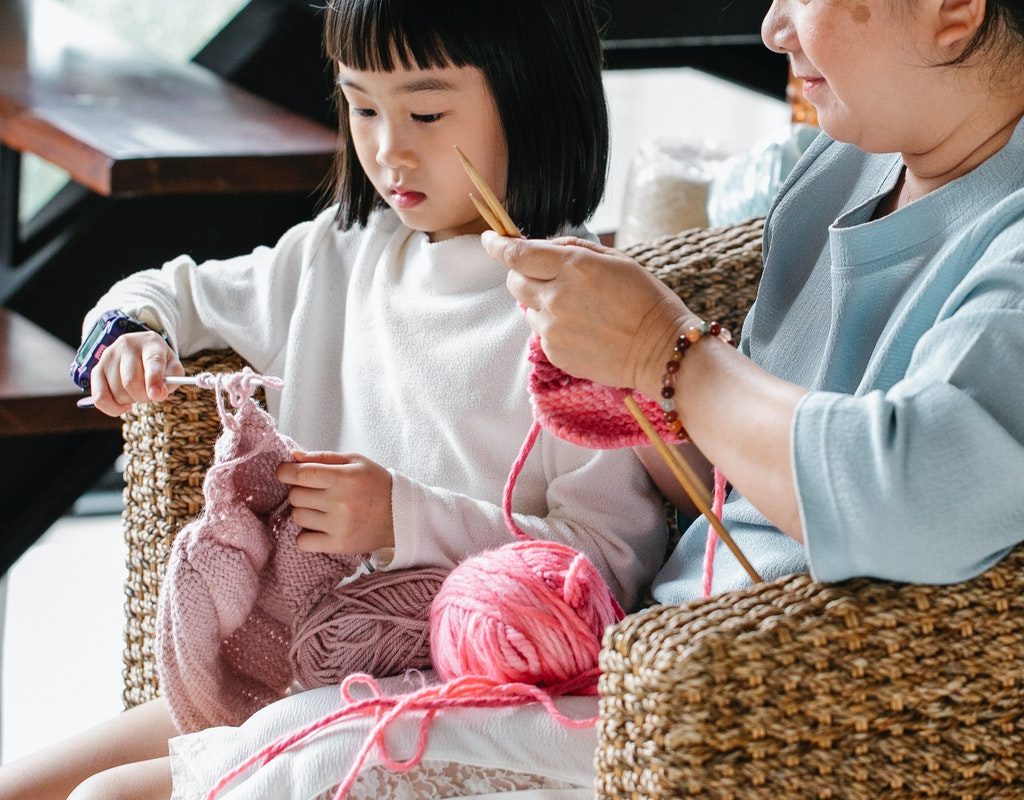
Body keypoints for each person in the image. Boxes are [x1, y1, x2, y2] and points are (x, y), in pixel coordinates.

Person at [0, 2, 667, 799]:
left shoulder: (583, 311)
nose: (387, 149)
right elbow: (164, 291)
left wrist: (402, 518)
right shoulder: (336, 259)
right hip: (287, 668)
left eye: (425, 113)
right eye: (361, 106)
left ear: (535, 97)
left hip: (446, 693)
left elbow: (610, 567)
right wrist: (129, 337)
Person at [485, 0, 1024, 601]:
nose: (773, 30)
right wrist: (635, 368)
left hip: (795, 647)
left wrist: (665, 350)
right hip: (669, 623)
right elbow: (733, 492)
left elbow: (916, 505)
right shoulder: (845, 164)